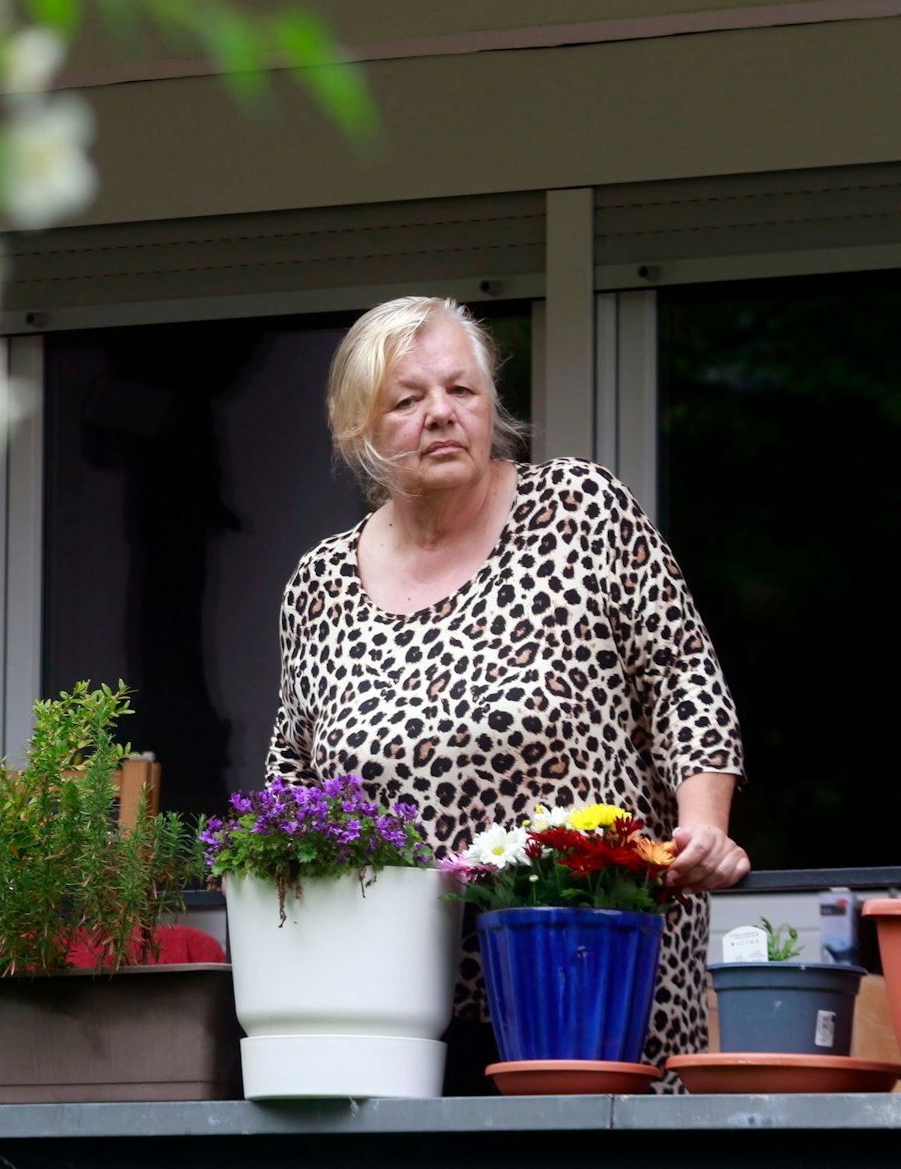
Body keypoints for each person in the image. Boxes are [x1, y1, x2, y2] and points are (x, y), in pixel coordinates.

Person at [265, 295, 747, 1088]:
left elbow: (683, 678)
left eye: (462, 391)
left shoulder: (580, 511)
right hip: (398, 1008)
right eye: (408, 400)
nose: (442, 415)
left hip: (589, 974)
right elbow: (295, 779)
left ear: (493, 406)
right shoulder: (318, 585)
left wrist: (704, 831)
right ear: (359, 430)